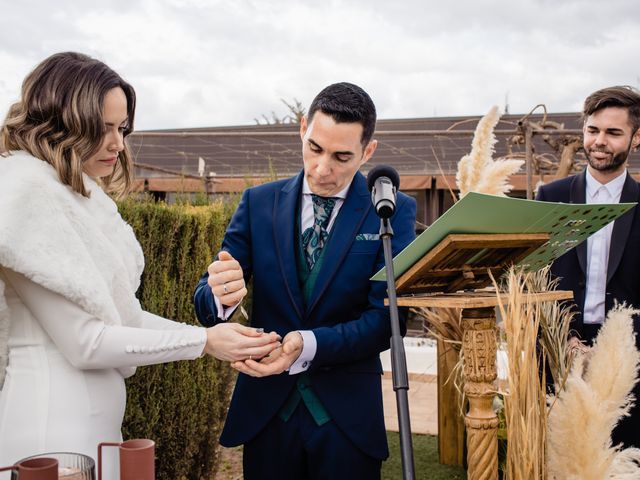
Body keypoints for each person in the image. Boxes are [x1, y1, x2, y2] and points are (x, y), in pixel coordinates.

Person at [0, 52, 281, 476]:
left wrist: (215, 336)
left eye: (122, 128)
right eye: (104, 128)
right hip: (49, 434)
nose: (118, 144)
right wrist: (203, 343)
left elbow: (123, 318)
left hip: (89, 429)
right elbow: (86, 342)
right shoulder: (27, 197)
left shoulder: (76, 198)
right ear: (62, 123)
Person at [193, 82, 417, 479]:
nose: (322, 168)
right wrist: (220, 296)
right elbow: (208, 299)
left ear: (368, 151)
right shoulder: (257, 202)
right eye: (314, 148)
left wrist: (308, 345)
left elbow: (390, 319)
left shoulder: (391, 212)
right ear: (302, 128)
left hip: (347, 419)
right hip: (266, 414)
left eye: (342, 156)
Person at [536, 85, 640, 448]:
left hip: (629, 358)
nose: (600, 141)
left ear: (635, 137)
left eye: (613, 133)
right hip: (559, 350)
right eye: (593, 130)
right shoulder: (550, 197)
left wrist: (619, 346)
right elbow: (536, 278)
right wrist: (559, 336)